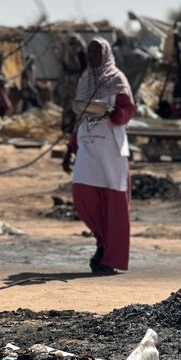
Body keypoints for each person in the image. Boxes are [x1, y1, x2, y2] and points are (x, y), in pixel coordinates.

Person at [61, 37, 136, 274]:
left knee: (113, 203)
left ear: (105, 54)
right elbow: (80, 117)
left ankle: (110, 256)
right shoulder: (85, 80)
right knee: (83, 195)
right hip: (88, 146)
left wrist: (113, 111)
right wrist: (69, 148)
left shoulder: (117, 79)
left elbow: (128, 110)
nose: (92, 57)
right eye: (89, 52)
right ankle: (102, 241)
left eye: (96, 53)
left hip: (110, 149)